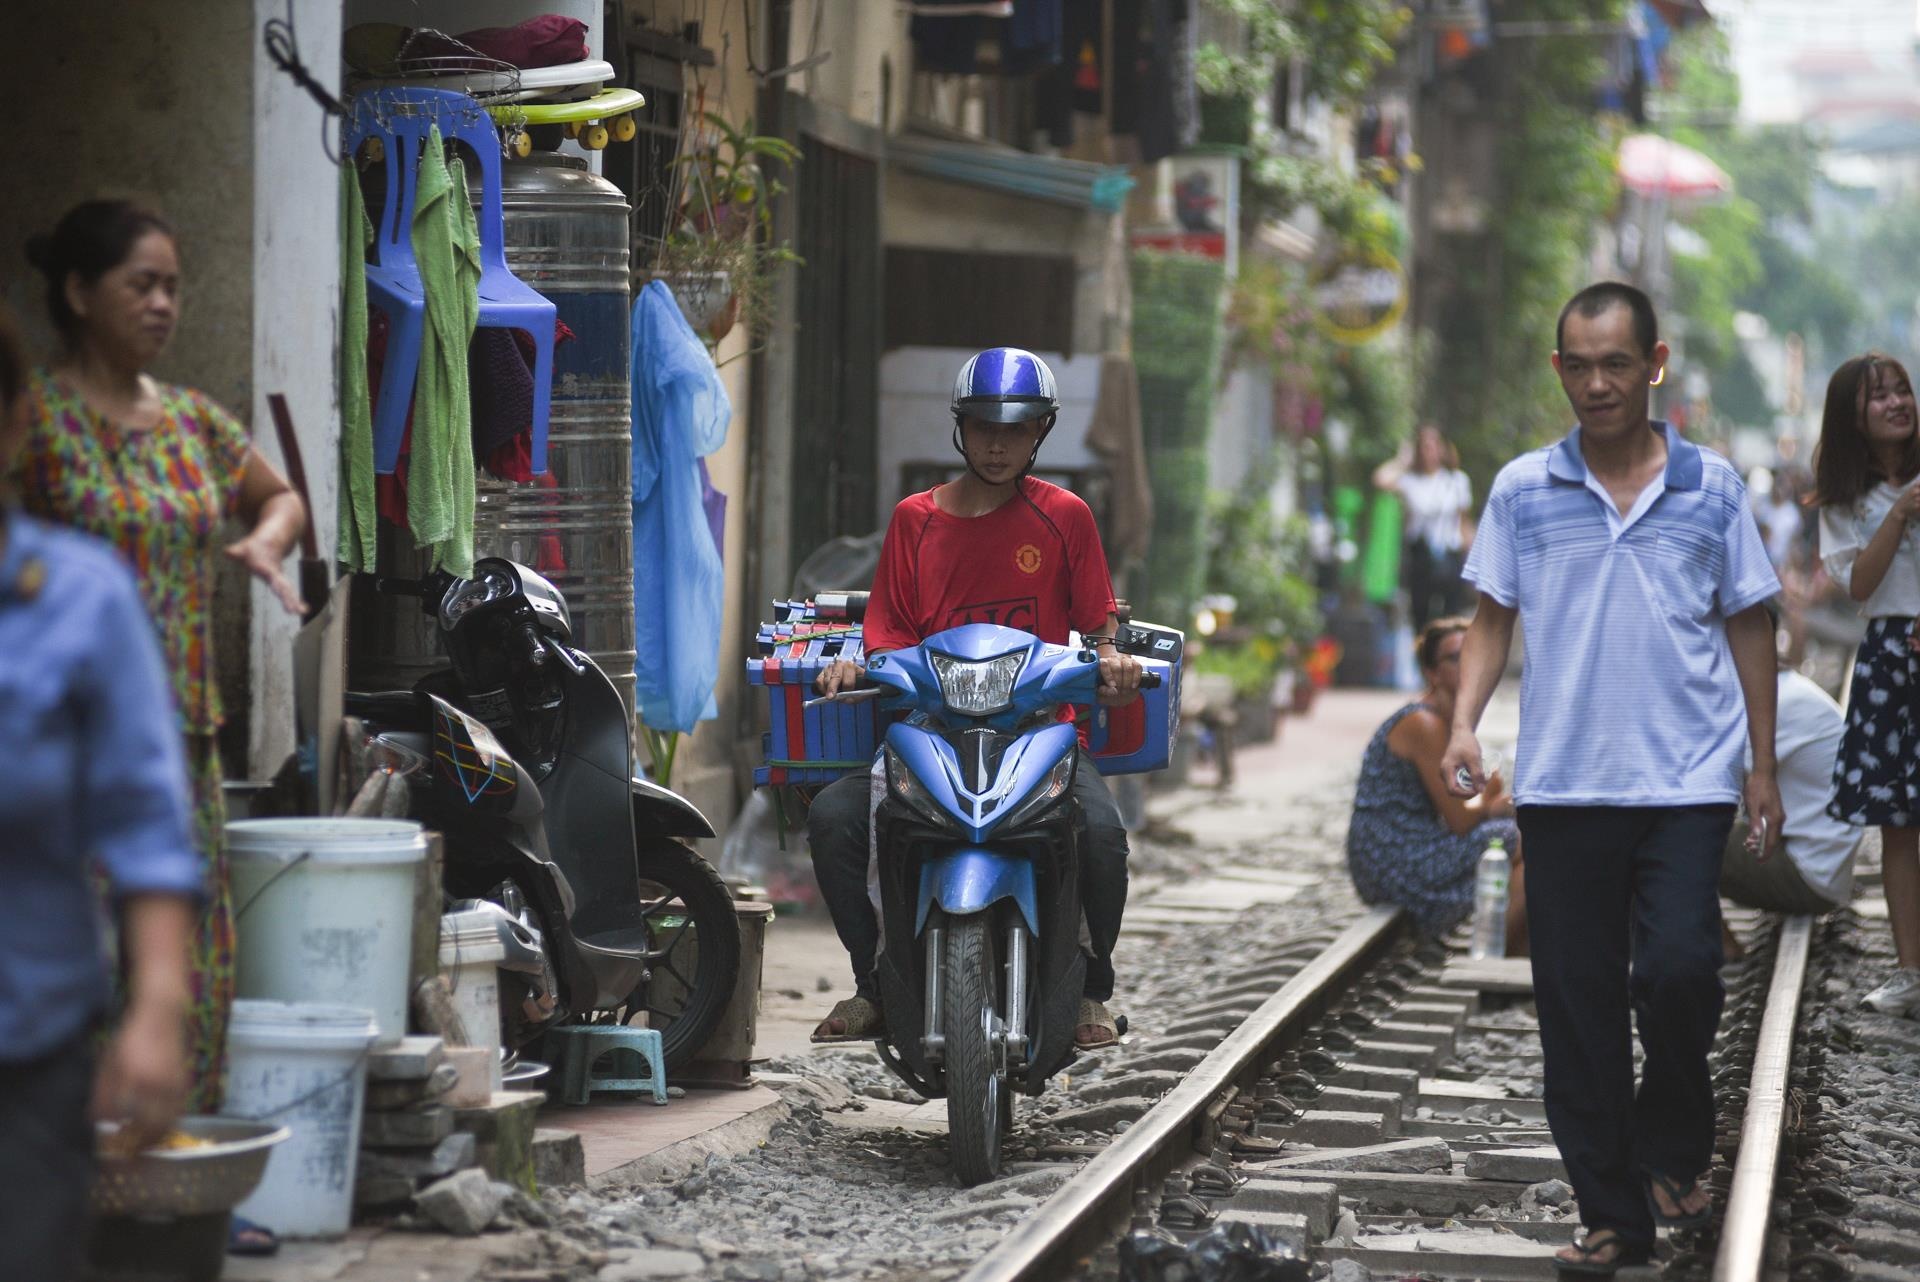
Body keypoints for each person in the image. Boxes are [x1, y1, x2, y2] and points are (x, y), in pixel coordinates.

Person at [1440, 282, 1783, 1274]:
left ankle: (1675, 1135)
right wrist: (1464, 720)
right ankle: (1612, 1213)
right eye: (1579, 366)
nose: (1597, 384)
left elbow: (1750, 622)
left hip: (1684, 781)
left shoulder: (1713, 489)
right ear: (1560, 370)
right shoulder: (1522, 489)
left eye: (1616, 364)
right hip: (1563, 786)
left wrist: (1761, 764)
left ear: (1655, 364)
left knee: (1680, 967)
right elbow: (1493, 617)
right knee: (1577, 1008)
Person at [15, 201, 307, 1124]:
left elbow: (281, 497)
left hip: (184, 740)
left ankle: (182, 1176)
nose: (163, 304)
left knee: (194, 964)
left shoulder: (192, 423)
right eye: (141, 284)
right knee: (82, 960)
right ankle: (74, 1179)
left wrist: (266, 540)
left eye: (174, 287)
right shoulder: (40, 422)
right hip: (61, 746)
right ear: (76, 292)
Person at [807, 346, 1142, 1050]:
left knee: (1104, 837)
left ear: (1041, 432)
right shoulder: (913, 520)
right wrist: (851, 663)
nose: (998, 442)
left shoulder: (1066, 517)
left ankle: (1090, 988)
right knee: (836, 820)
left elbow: (1099, 630)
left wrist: (1114, 662)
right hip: (930, 730)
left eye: (1016, 428)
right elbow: (886, 633)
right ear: (960, 428)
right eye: (984, 425)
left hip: (1039, 730)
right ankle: (874, 983)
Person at [0, 305, 201, 1282]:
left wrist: (156, 1004)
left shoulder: (79, 599)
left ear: (11, 429)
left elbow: (144, 823)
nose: (159, 303)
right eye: (142, 283)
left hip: (26, 1045)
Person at [1813, 352, 1920, 1018]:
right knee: (1899, 823)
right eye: (1879, 396)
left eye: (1902, 390)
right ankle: (1911, 971)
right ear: (1852, 414)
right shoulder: (1845, 499)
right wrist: (1899, 515)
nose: (1897, 402)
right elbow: (1858, 585)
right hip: (1889, 656)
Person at [1348, 617, 1526, 953]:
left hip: (1417, 845)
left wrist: (1492, 806)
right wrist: (1488, 798)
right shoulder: (1424, 723)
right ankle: (1495, 954)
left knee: (1527, 838)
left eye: (1472, 654)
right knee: (1527, 839)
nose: (1467, 664)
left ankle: (1508, 947)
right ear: (1431, 673)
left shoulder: (1446, 722)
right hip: (1396, 856)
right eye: (1455, 658)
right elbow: (1461, 819)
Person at [1718, 600, 1861, 941]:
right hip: (1819, 868)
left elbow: (1714, 786)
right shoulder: (1785, 687)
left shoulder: (1777, 703)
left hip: (1808, 877)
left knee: (1665, 836)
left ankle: (1715, 942)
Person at [1374, 422, 1475, 631]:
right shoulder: (1410, 482)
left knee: (1451, 620)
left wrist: (1474, 562)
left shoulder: (1457, 481)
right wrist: (1403, 460)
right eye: (1424, 446)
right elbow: (1380, 479)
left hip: (1450, 557)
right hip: (1421, 558)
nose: (1429, 451)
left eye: (1434, 445)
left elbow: (1464, 523)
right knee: (1420, 619)